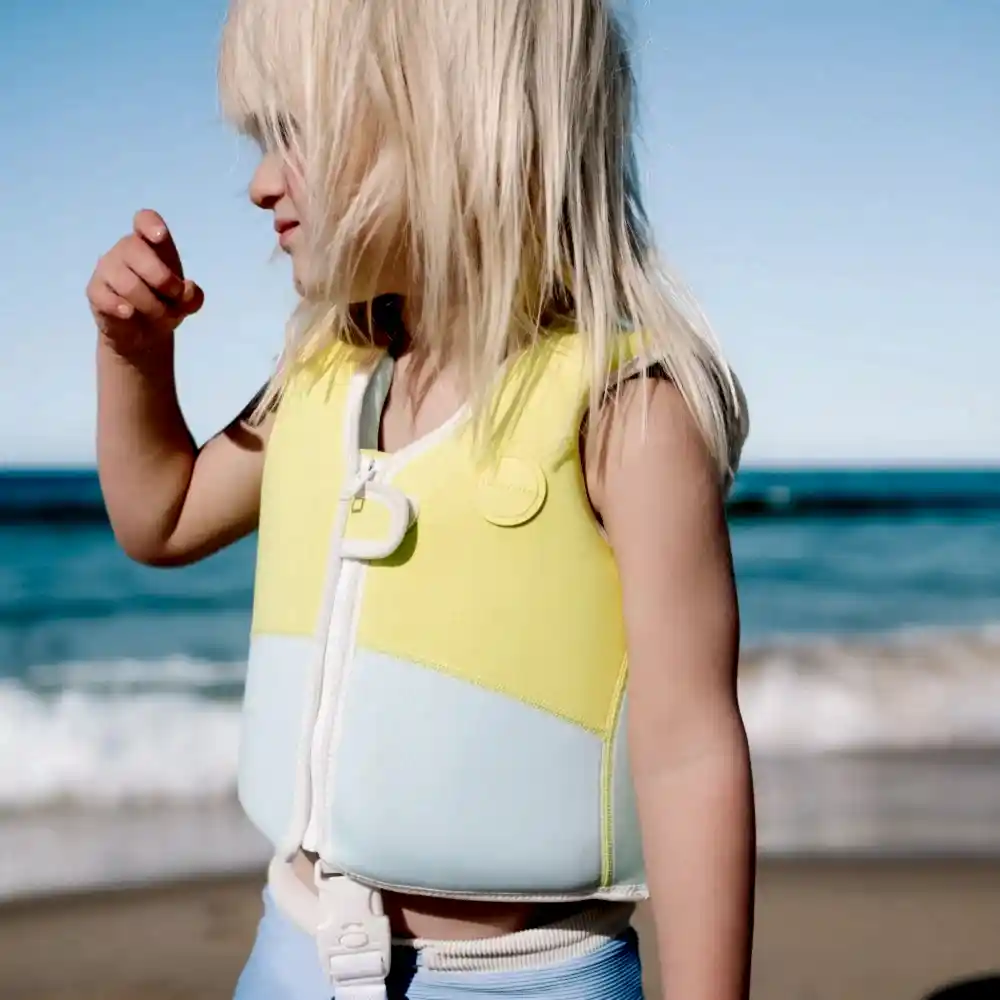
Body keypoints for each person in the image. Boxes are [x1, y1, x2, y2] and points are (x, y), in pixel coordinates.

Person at [87, 0, 754, 996]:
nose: (261, 181)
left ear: (452, 119)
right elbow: (163, 515)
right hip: (294, 950)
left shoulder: (624, 409)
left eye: (295, 130)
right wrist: (133, 357)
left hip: (527, 977)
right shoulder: (326, 375)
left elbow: (690, 755)